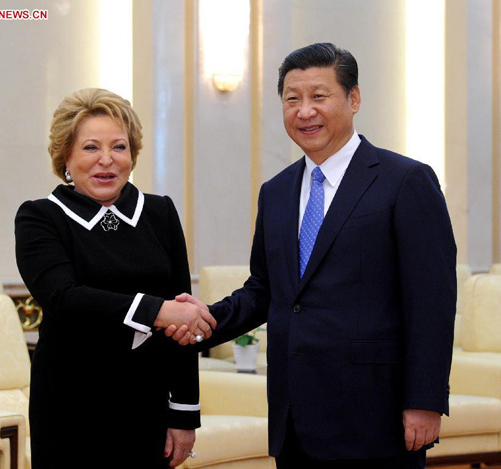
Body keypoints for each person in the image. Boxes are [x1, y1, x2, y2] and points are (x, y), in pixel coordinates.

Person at [170, 43, 456, 468]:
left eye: (319, 96)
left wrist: (425, 400)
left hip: (375, 416)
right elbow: (265, 289)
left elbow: (432, 301)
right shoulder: (276, 192)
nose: (305, 111)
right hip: (295, 417)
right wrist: (203, 323)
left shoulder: (405, 181)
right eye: (292, 99)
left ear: (353, 98)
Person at [15, 88, 216, 468]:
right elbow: (62, 296)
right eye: (91, 147)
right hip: (70, 404)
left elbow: (184, 323)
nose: (106, 160)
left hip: (147, 403)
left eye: (119, 147)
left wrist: (184, 413)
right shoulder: (40, 217)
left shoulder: (159, 213)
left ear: (132, 155)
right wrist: (157, 312)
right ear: (66, 157)